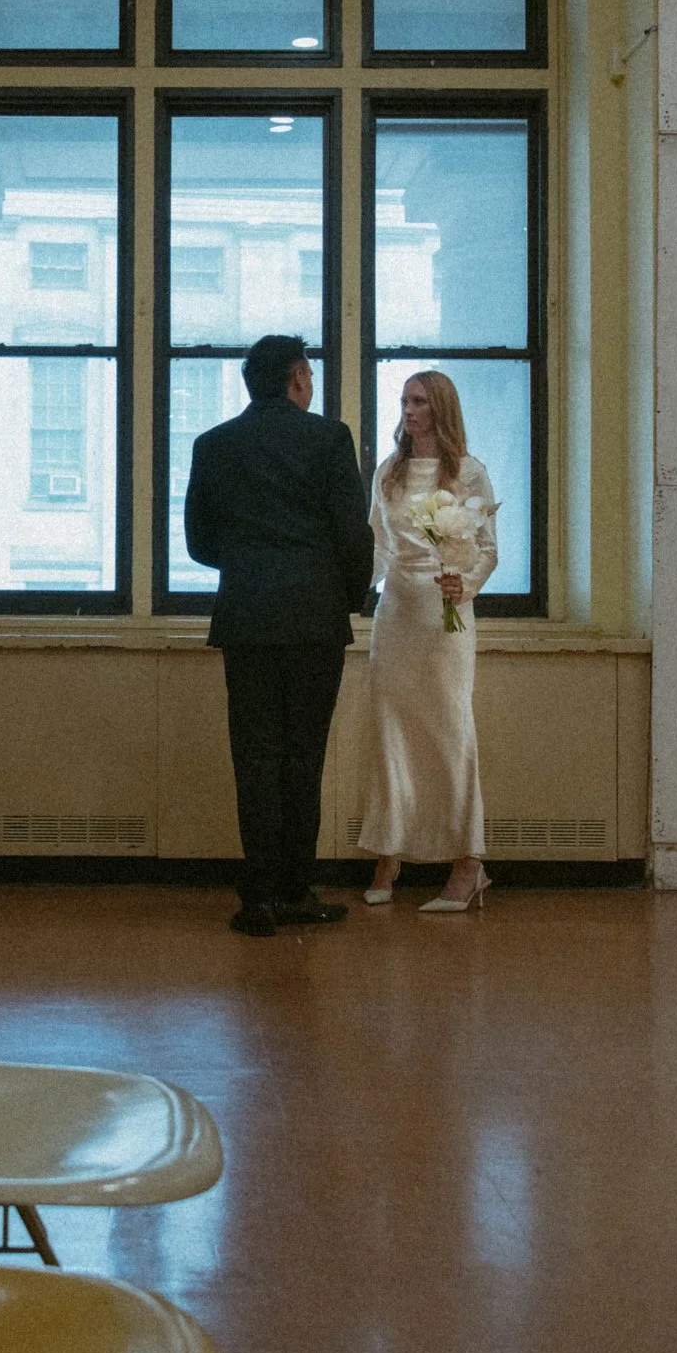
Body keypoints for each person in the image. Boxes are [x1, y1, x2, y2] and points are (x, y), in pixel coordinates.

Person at [183, 335, 376, 939]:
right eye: (309, 373)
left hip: (246, 618)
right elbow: (354, 535)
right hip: (315, 620)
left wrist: (249, 565)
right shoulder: (329, 439)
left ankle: (260, 895)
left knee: (256, 756)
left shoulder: (213, 444)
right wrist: (344, 598)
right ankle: (296, 889)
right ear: (297, 377)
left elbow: (198, 542)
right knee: (303, 756)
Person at [357, 371, 498, 912]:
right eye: (404, 401)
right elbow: (377, 545)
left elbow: (486, 548)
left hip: (446, 617)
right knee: (390, 733)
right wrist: (349, 587)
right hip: (396, 615)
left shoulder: (469, 472)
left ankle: (469, 864)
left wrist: (467, 583)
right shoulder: (388, 472)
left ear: (440, 409)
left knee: (450, 733)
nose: (408, 410)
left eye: (418, 401)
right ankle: (388, 854)